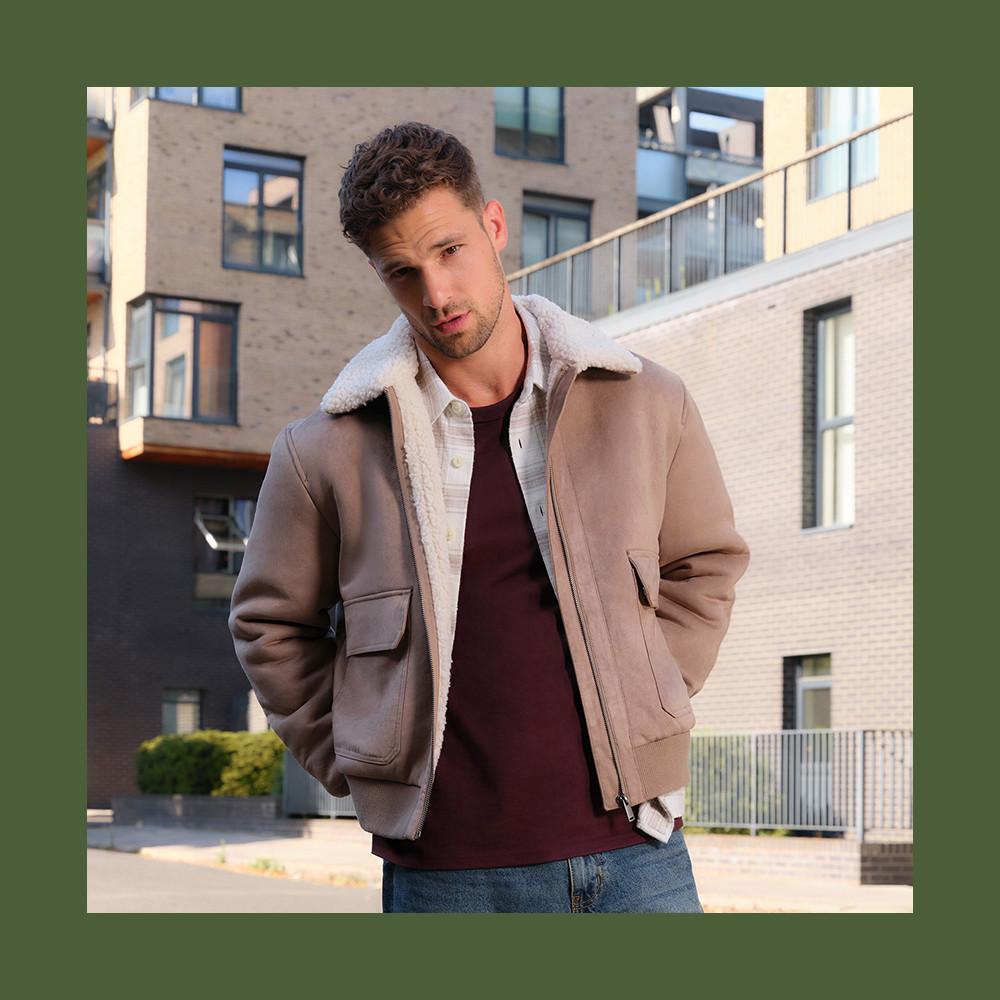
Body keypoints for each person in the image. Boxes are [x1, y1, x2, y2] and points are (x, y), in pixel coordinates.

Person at [228, 121, 750, 913]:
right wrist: (362, 753)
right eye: (402, 272)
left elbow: (704, 564)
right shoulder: (323, 452)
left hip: (638, 856)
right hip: (448, 876)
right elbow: (269, 626)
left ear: (494, 225)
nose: (436, 295)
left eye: (449, 251)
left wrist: (649, 700)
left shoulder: (646, 401)